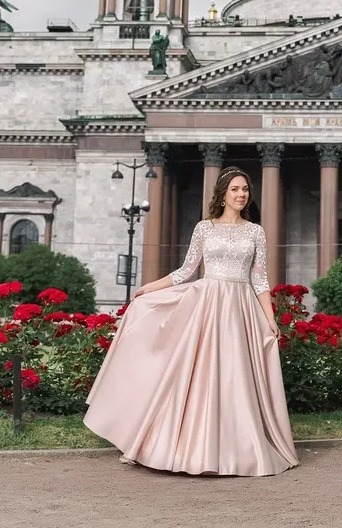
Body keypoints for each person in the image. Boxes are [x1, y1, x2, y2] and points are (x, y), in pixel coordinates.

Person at [83, 167, 298, 476]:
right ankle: (183, 445)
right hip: (207, 306)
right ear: (223, 195)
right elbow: (186, 271)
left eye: (245, 190)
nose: (241, 194)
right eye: (235, 189)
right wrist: (150, 288)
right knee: (197, 375)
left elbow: (260, 280)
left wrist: (270, 319)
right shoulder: (204, 228)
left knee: (236, 377)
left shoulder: (255, 232)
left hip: (240, 310)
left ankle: (239, 448)